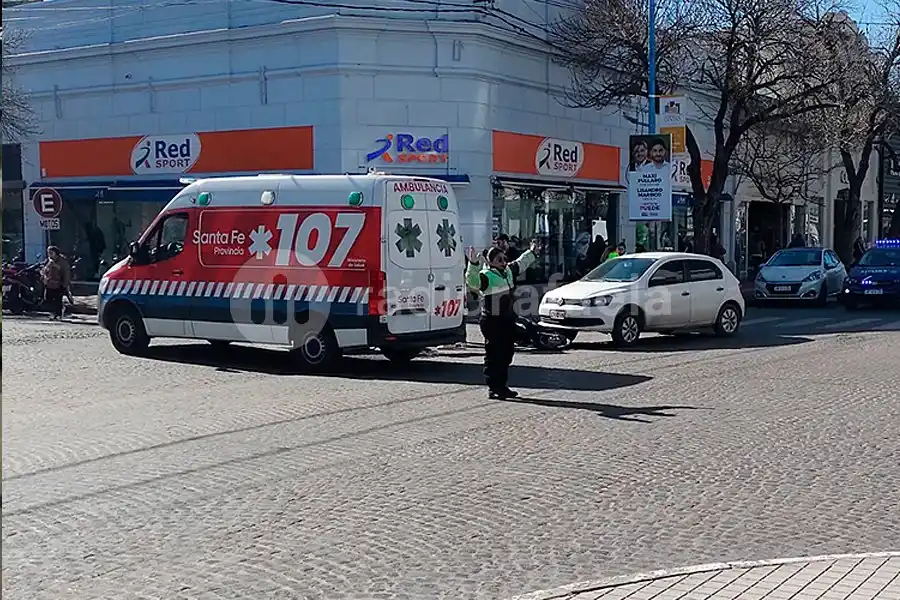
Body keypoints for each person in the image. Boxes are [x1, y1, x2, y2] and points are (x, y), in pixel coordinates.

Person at [466, 239, 539, 399]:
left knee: (507, 354)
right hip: (492, 321)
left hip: (507, 320)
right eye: (499, 260)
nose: (504, 262)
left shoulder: (508, 272)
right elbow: (473, 282)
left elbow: (521, 263)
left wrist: (532, 251)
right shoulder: (486, 275)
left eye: (504, 259)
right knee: (494, 354)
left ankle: (502, 386)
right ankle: (494, 387)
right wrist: (473, 263)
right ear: (490, 262)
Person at [41, 246, 70, 320]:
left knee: (57, 300)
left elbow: (66, 273)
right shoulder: (48, 261)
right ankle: (53, 313)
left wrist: (65, 284)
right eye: (48, 253)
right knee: (48, 298)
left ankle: (58, 314)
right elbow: (44, 270)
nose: (49, 255)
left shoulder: (62, 261)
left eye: (51, 253)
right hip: (49, 283)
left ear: (56, 253)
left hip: (58, 283)